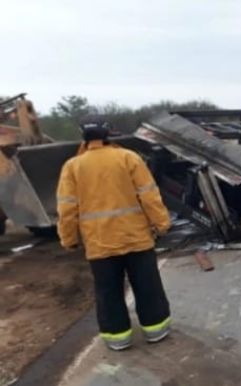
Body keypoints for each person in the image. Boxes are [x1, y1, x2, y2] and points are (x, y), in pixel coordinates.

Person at [56, 115, 172, 351]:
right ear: (108, 133)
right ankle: (156, 330)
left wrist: (69, 239)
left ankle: (118, 338)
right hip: (136, 239)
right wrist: (162, 224)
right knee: (148, 286)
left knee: (108, 292)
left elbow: (67, 208)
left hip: (100, 244)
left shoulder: (73, 167)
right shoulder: (129, 158)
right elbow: (150, 196)